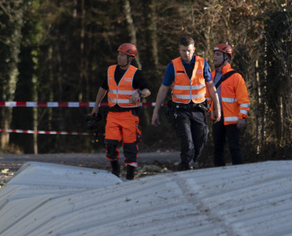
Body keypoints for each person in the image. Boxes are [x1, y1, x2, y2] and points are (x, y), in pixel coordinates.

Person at [150, 35, 219, 170]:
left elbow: (211, 86)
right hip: (180, 110)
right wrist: (155, 111)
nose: (186, 54)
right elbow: (163, 89)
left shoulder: (202, 64)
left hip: (198, 109)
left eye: (189, 50)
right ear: (179, 50)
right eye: (183, 51)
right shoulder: (172, 66)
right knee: (187, 143)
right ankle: (187, 170)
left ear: (194, 49)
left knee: (201, 139)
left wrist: (218, 108)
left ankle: (187, 166)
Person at [88, 42, 152, 180]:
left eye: (123, 55)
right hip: (112, 114)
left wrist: (139, 93)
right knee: (110, 143)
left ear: (130, 58)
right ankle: (115, 170)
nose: (119, 57)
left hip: (129, 115)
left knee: (130, 146)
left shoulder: (136, 73)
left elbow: (148, 91)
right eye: (119, 54)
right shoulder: (110, 70)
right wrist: (96, 106)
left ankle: (130, 176)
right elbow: (102, 88)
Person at [210, 43, 250, 166]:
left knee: (234, 148)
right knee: (217, 149)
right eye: (214, 54)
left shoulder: (236, 77)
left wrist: (242, 117)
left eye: (218, 54)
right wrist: (208, 110)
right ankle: (218, 174)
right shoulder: (210, 76)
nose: (214, 57)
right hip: (217, 118)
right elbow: (207, 97)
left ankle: (239, 174)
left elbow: (244, 100)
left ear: (226, 57)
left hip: (232, 120)